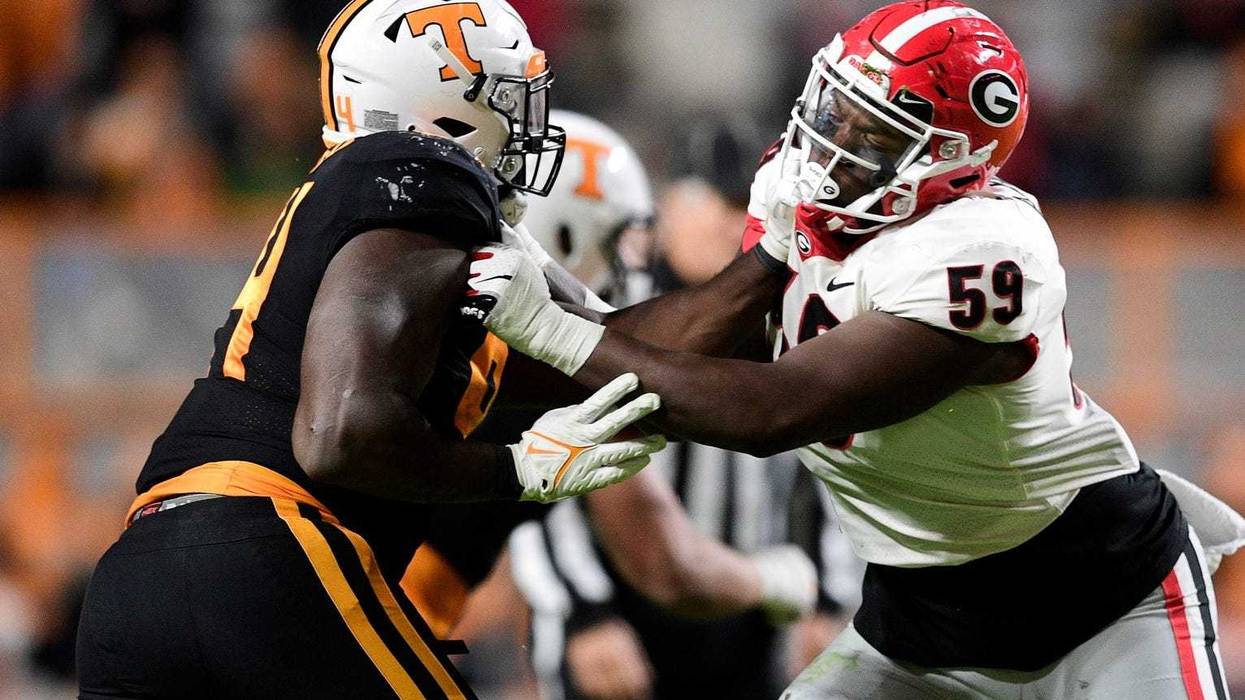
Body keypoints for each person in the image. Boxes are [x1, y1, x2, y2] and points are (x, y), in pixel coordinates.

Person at [462, 2, 1243, 697]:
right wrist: (567, 307)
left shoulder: (983, 250)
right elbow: (705, 332)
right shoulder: (795, 188)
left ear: (947, 162)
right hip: (919, 624)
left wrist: (558, 330)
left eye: (872, 134)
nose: (832, 141)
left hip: (1099, 604)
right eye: (836, 108)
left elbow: (772, 410)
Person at [74, 2, 667, 699]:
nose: (526, 129)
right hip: (274, 561)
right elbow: (340, 439)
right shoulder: (413, 186)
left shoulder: (363, 220)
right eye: (506, 102)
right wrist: (516, 470)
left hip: (141, 569)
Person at [509, 110, 862, 700]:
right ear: (671, 202)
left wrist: (826, 596)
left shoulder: (790, 314)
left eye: (749, 208)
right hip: (622, 605)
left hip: (752, 616)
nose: (738, 226)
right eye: (723, 205)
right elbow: (543, 465)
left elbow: (826, 464)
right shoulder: (615, 302)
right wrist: (583, 611)